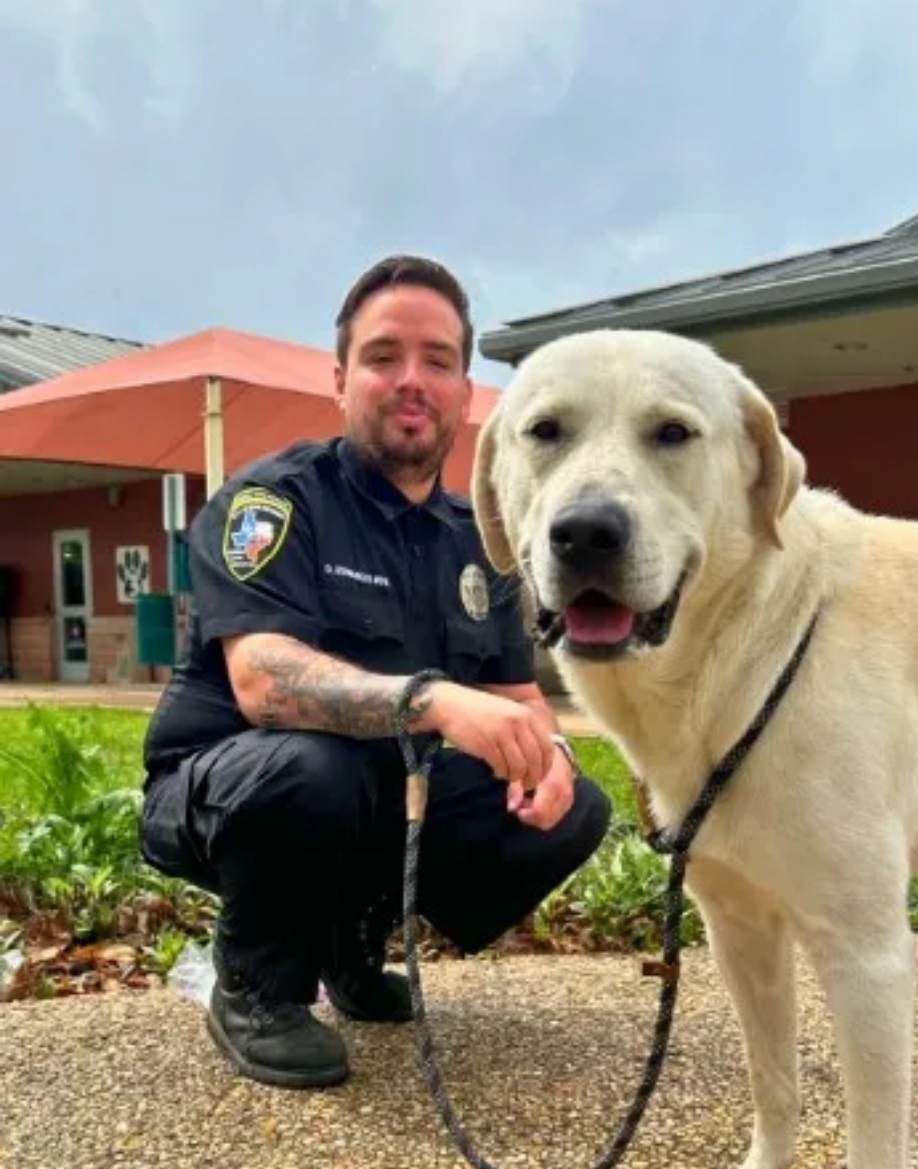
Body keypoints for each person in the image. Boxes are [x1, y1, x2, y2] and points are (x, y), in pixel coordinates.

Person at [139, 254, 612, 1090]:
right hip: (228, 785)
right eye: (383, 356)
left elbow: (518, 699)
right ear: (340, 380)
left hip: (383, 793)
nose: (411, 381)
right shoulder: (275, 503)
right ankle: (256, 984)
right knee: (316, 768)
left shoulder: (480, 539)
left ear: (466, 393)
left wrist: (549, 762)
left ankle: (348, 942)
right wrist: (431, 701)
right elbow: (265, 682)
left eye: (438, 361)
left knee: (576, 807)